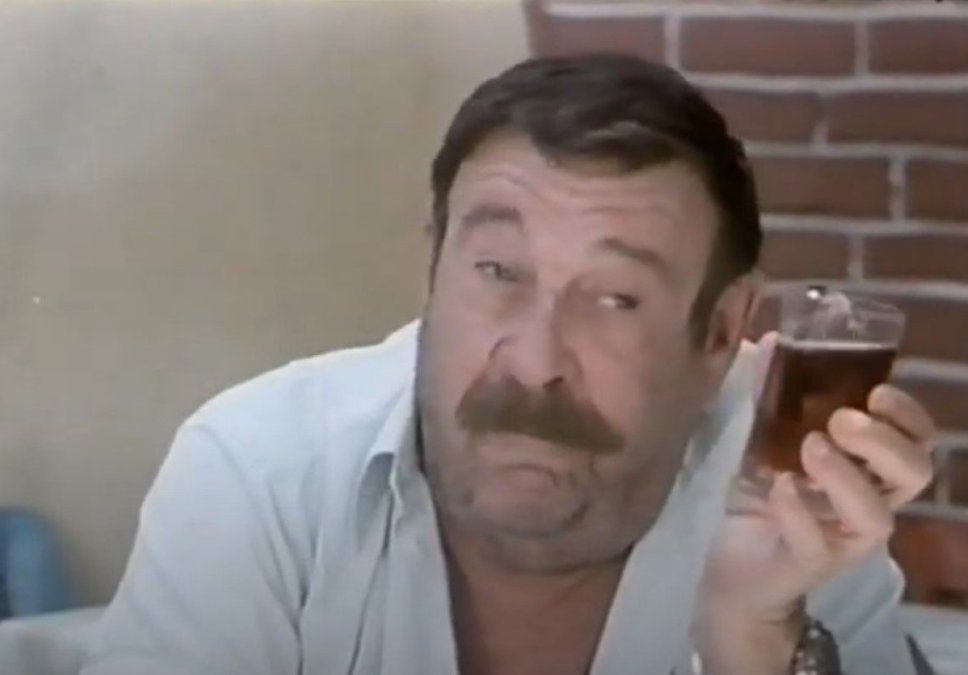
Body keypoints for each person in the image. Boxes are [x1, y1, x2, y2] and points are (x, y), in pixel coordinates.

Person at [82, 54, 936, 675]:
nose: (534, 363)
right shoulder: (261, 469)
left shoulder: (785, 496)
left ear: (719, 334)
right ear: (434, 270)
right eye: (497, 272)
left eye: (616, 298)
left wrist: (753, 636)